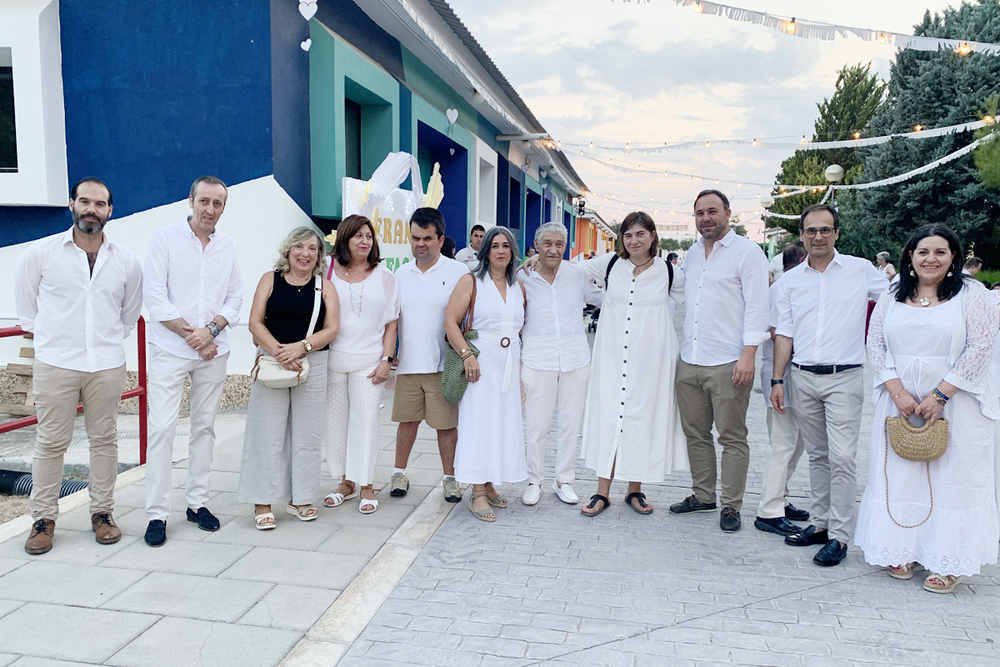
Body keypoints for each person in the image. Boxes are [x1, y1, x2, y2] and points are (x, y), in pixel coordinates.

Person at [857, 224, 998, 592]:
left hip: (958, 402)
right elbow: (875, 345)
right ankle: (901, 547)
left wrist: (940, 396)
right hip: (900, 403)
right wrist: (898, 392)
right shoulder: (892, 294)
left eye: (939, 252)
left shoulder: (974, 295)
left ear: (953, 257)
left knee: (952, 480)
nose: (930, 259)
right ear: (910, 257)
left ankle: (947, 560)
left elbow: (981, 347)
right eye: (922, 252)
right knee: (902, 475)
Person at [15, 178, 143, 555]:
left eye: (100, 204)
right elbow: (28, 310)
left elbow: (128, 313)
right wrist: (56, 341)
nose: (92, 209)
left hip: (105, 363)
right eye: (84, 201)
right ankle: (43, 520)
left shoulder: (125, 261)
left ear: (109, 211)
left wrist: (102, 341)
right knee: (51, 441)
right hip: (56, 362)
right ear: (71, 204)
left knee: (104, 441)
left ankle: (102, 513)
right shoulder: (41, 253)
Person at [770, 204, 889, 566]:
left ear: (837, 233)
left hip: (845, 376)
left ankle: (839, 535)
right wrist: (778, 379)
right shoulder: (790, 281)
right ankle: (820, 525)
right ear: (802, 235)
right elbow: (784, 334)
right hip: (802, 376)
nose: (817, 236)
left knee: (842, 458)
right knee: (818, 457)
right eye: (810, 231)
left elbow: (895, 300)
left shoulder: (860, 270)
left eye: (825, 230)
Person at [141, 176, 243, 547]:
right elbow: (155, 296)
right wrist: (192, 335)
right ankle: (156, 513)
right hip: (171, 349)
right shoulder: (164, 238)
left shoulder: (228, 246)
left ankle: (197, 503)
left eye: (218, 204)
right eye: (204, 201)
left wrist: (211, 331)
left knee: (204, 429)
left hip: (213, 350)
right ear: (191, 201)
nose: (210, 210)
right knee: (163, 429)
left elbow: (234, 298)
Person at [573, 212, 689, 517]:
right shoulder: (611, 264)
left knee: (641, 419)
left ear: (652, 236)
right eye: (628, 235)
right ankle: (602, 491)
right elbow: (572, 271)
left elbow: (682, 302)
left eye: (640, 234)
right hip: (611, 357)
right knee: (610, 416)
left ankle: (634, 490)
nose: (634, 240)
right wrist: (535, 262)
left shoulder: (669, 272)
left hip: (652, 360)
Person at [670, 190, 769, 533]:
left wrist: (749, 355)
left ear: (728, 212)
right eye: (699, 213)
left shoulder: (747, 252)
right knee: (695, 433)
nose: (706, 218)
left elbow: (758, 306)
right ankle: (703, 495)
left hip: (729, 361)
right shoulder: (693, 254)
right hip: (691, 359)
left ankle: (731, 505)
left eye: (712, 211)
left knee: (731, 436)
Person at [238, 228, 339, 529]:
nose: (305, 253)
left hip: (313, 363)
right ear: (288, 251)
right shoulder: (270, 280)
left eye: (312, 248)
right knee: (265, 433)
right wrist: (281, 353)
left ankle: (301, 498)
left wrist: (303, 347)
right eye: (299, 246)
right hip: (272, 361)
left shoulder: (325, 287)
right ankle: (262, 501)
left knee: (307, 435)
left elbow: (332, 329)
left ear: (319, 256)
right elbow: (255, 322)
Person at [445, 226, 527, 521]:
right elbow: (450, 322)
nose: (501, 251)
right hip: (480, 362)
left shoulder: (519, 286)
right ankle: (477, 491)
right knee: (478, 423)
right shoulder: (471, 281)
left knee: (501, 424)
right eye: (495, 246)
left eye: (506, 246)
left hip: (508, 362)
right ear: (485, 251)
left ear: (513, 251)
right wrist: (467, 355)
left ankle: (489, 481)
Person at [518, 222, 601, 506]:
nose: (553, 249)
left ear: (566, 247)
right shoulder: (522, 276)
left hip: (574, 358)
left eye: (559, 244)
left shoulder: (577, 274)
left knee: (570, 423)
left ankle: (564, 480)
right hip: (537, 358)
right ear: (537, 245)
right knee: (536, 426)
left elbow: (602, 298)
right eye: (547, 244)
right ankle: (534, 480)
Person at [390, 208, 469, 503]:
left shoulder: (458, 272)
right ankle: (399, 472)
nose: (419, 244)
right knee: (406, 423)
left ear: (440, 239)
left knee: (446, 427)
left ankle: (450, 479)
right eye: (414, 238)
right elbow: (392, 318)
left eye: (426, 238)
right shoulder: (400, 273)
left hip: (443, 365)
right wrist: (390, 353)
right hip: (408, 364)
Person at [323, 215, 399, 514]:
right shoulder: (327, 270)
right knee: (336, 423)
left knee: (365, 422)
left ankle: (366, 483)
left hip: (369, 361)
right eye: (358, 236)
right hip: (331, 359)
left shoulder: (384, 275)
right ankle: (346, 481)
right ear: (345, 239)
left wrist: (386, 359)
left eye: (368, 236)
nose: (365, 241)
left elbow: (392, 322)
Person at [754, 242, 810, 538]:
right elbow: (778, 333)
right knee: (783, 443)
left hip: (796, 374)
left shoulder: (791, 284)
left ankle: (782, 497)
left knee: (796, 442)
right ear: (801, 260)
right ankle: (769, 509)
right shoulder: (782, 288)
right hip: (781, 374)